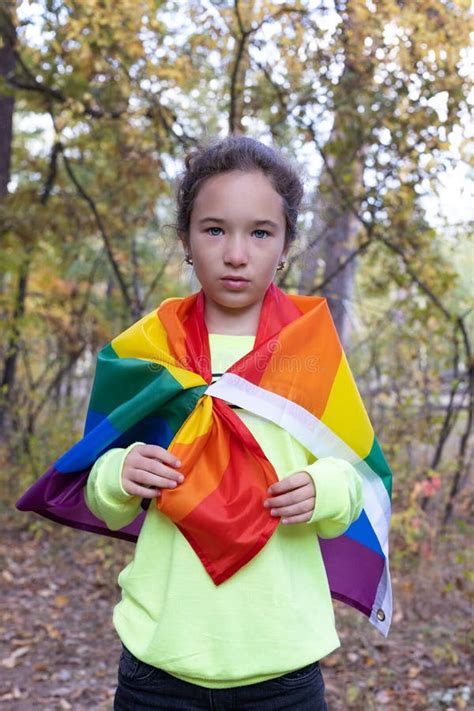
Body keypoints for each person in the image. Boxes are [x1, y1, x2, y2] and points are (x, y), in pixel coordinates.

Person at [84, 134, 364, 710]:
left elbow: (354, 481)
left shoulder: (310, 350)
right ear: (185, 238)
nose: (237, 253)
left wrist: (325, 488)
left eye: (260, 232)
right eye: (214, 229)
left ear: (284, 245)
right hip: (160, 662)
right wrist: (119, 472)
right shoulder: (148, 348)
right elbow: (101, 494)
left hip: (282, 666)